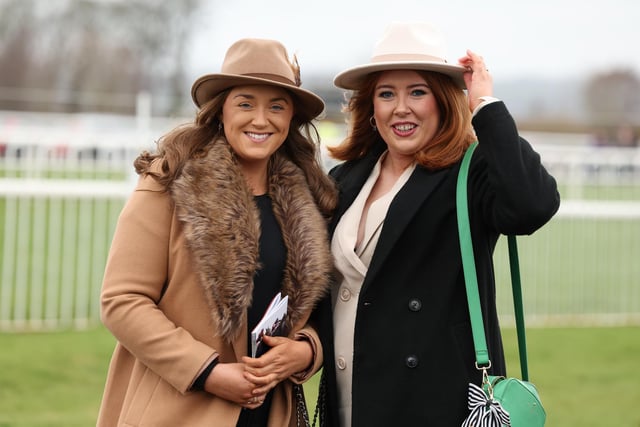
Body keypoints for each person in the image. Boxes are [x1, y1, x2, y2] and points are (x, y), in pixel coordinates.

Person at [313, 21, 560, 426]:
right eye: (386, 93)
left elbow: (532, 205)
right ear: (371, 107)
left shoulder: (469, 174)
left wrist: (485, 105)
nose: (401, 107)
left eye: (418, 92)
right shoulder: (346, 179)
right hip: (349, 399)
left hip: (432, 403)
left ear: (444, 101)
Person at [97, 38, 338, 427]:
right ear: (220, 109)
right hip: (177, 408)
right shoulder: (168, 182)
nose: (261, 120)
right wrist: (207, 371)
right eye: (246, 103)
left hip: (270, 412)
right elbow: (122, 300)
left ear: (291, 117)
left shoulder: (311, 202)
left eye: (276, 106)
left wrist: (307, 350)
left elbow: (324, 310)